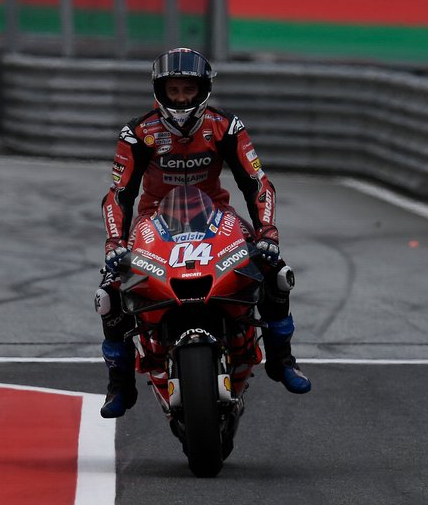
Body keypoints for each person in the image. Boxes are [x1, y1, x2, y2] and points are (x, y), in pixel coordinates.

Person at [95, 47, 311, 419]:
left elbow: (257, 183)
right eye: (174, 90)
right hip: (153, 222)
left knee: (276, 272)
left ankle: (281, 360)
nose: (181, 99)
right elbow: (118, 195)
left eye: (188, 91)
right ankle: (120, 384)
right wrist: (115, 243)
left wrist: (267, 234)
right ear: (160, 91)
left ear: (203, 90)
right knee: (109, 291)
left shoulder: (226, 126)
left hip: (216, 216)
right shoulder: (137, 133)